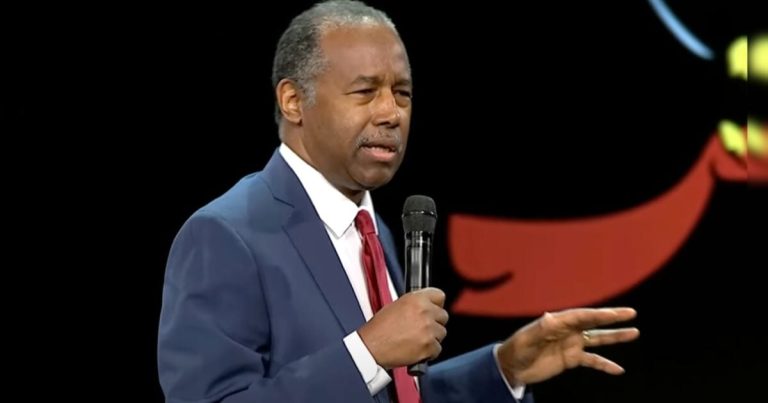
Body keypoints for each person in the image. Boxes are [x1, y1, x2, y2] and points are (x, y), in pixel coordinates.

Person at [157, 1, 640, 402]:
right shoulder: (225, 235)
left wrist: (504, 367)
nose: (391, 113)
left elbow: (395, 393)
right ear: (293, 101)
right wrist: (366, 353)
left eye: (402, 93)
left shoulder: (375, 229)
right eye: (365, 91)